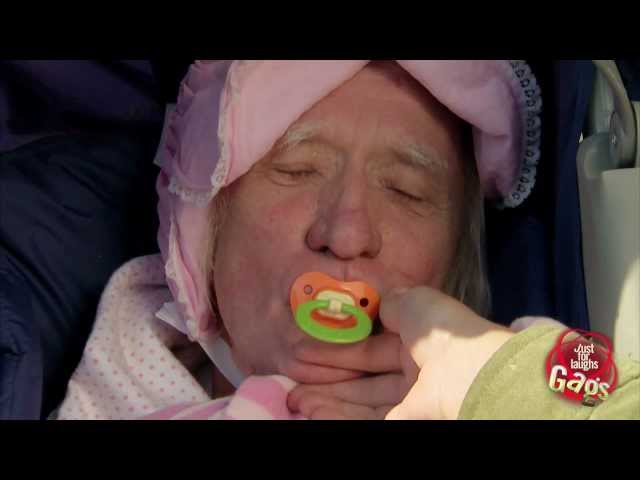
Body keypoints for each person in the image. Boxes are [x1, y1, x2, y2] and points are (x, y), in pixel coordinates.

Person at [56, 60, 637, 420]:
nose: (347, 233)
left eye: (406, 190)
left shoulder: (527, 369)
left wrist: (498, 386)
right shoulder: (113, 388)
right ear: (205, 229)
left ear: (455, 265)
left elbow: (607, 387)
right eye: (296, 170)